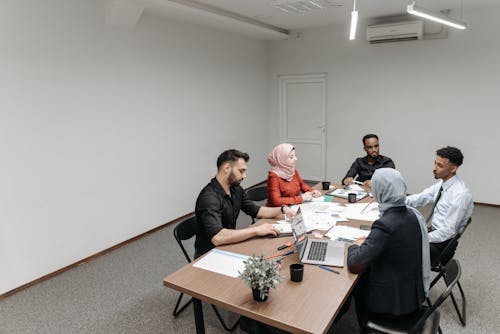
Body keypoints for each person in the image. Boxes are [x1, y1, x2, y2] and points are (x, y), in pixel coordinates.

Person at [347, 168, 430, 332]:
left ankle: (365, 326)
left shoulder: (385, 224)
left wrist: (353, 246)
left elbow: (355, 264)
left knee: (356, 284)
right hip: (411, 294)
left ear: (379, 191)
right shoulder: (412, 214)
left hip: (393, 305)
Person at [195, 149, 296, 257]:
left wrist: (282, 209)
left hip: (228, 245)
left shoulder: (235, 189)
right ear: (227, 168)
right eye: (241, 171)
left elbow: (256, 210)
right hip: (209, 255)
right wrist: (256, 230)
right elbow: (218, 238)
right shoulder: (209, 198)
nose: (244, 176)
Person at [406, 146, 473, 265]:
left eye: (440, 165)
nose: (434, 168)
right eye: (435, 163)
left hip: (441, 246)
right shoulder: (443, 184)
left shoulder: (460, 195)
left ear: (453, 168)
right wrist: (393, 200)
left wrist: (422, 237)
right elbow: (421, 198)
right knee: (399, 235)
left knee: (398, 248)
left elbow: (448, 231)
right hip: (433, 233)